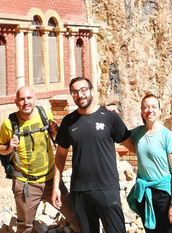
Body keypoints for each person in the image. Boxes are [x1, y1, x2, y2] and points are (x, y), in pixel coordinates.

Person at [51, 77, 135, 233]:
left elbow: (133, 145)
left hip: (107, 189)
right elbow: (60, 155)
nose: (80, 95)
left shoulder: (110, 117)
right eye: (75, 92)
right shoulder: (68, 122)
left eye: (83, 90)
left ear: (92, 91)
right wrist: (56, 186)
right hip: (80, 191)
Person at [0, 86, 80, 233]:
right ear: (16, 102)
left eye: (29, 98)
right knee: (25, 227)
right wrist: (8, 148)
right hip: (25, 184)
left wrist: (55, 132)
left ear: (35, 99)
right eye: (21, 99)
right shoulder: (9, 124)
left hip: (51, 180)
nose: (26, 102)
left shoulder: (44, 114)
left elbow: (55, 138)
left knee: (77, 218)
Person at [127, 94, 172, 233]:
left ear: (160, 110)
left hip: (164, 195)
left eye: (154, 107)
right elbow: (119, 136)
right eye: (146, 107)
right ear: (141, 110)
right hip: (145, 194)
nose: (150, 110)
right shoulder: (137, 133)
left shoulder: (167, 136)